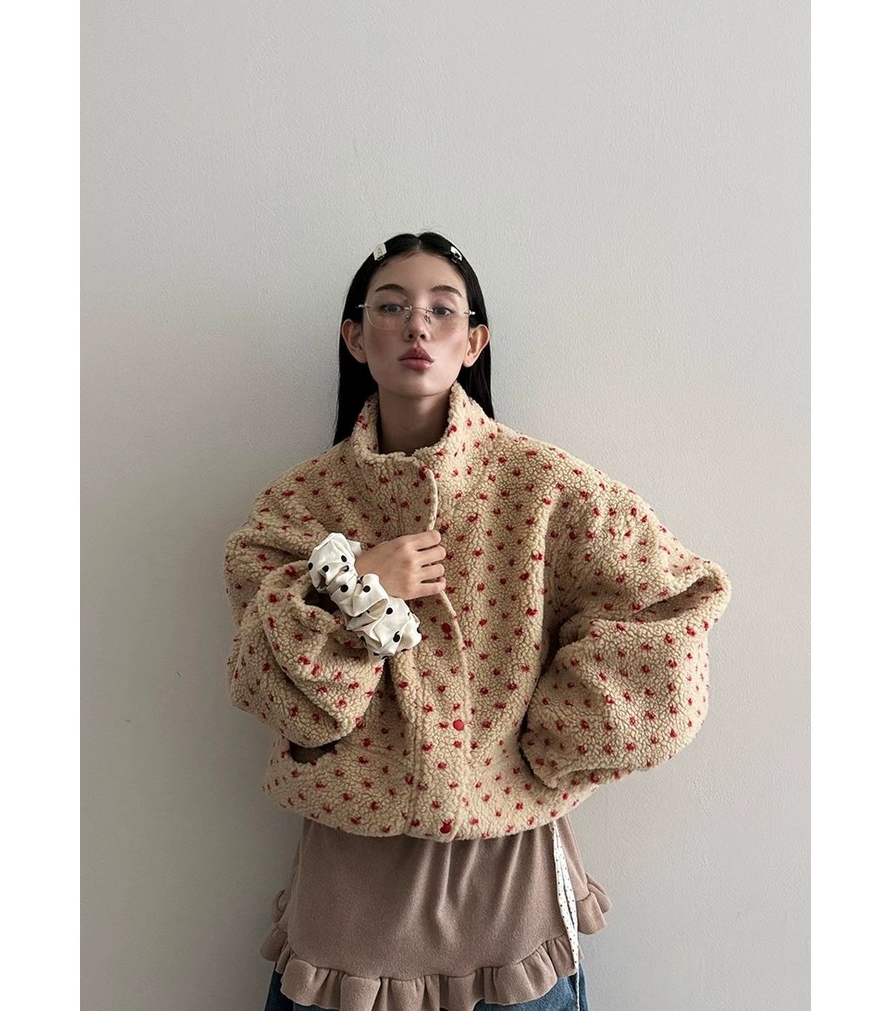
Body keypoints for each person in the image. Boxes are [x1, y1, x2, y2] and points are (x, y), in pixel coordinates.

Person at [222, 231, 732, 1011]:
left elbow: (671, 604)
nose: (416, 326)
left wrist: (550, 742)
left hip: (509, 880)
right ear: (355, 337)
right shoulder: (299, 504)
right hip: (349, 890)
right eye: (390, 307)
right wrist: (360, 585)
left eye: (442, 310)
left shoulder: (545, 487)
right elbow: (286, 699)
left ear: (474, 342)